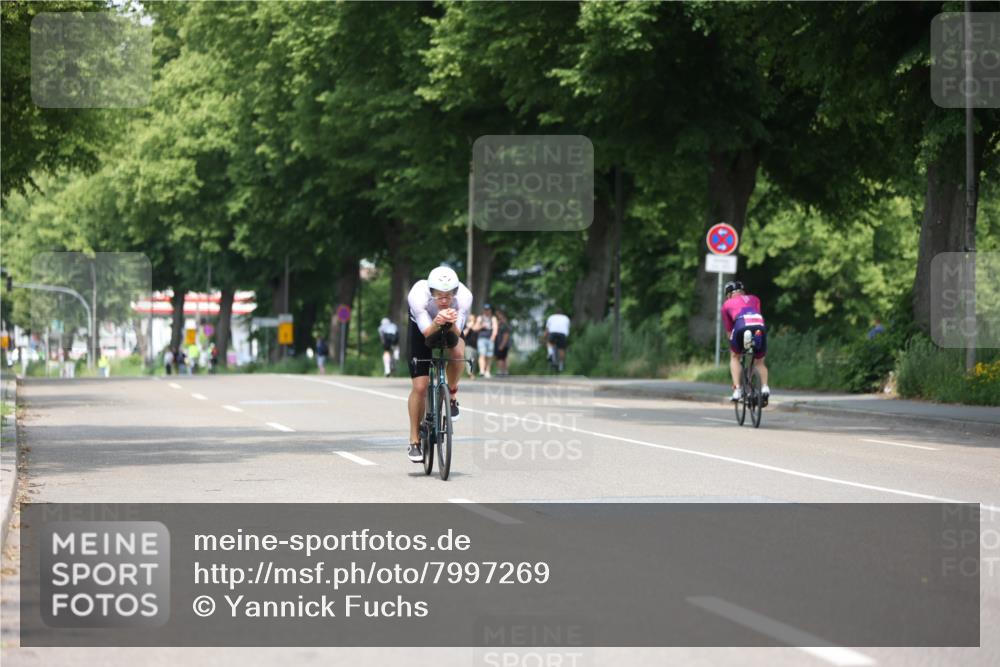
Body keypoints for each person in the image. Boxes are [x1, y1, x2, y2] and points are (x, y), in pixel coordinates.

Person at [406, 266, 472, 463]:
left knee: (459, 352)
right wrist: (437, 320)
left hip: (449, 325)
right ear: (431, 292)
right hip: (423, 328)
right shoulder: (418, 295)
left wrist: (449, 321)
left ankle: (451, 394)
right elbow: (427, 334)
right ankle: (414, 440)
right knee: (420, 386)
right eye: (439, 296)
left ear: (455, 292)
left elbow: (455, 336)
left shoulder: (464, 298)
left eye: (448, 296)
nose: (444, 300)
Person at [721, 280, 770, 402]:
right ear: (743, 292)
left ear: (728, 295)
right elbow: (757, 314)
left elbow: (729, 330)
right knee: (759, 362)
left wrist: (732, 345)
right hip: (759, 326)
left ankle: (737, 390)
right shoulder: (755, 298)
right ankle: (764, 387)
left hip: (741, 326)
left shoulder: (726, 305)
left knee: (734, 357)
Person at [477, 304, 498, 379]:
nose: (487, 311)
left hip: (490, 339)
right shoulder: (480, 318)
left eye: (488, 309)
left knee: (489, 356)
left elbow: (495, 328)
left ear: (490, 310)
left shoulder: (493, 318)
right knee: (482, 354)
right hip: (482, 338)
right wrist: (481, 326)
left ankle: (487, 371)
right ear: (483, 310)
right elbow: (476, 328)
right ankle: (482, 371)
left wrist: (493, 336)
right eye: (485, 309)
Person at [494, 309, 512, 376]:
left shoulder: (504, 324)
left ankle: (501, 371)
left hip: (502, 343)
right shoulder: (502, 323)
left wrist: (502, 344)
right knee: (503, 357)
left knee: (501, 357)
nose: (497, 316)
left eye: (498, 314)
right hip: (501, 343)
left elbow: (506, 335)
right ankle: (504, 371)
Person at [462, 313, 480, 379]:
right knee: (469, 359)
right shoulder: (466, 325)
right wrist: (469, 327)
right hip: (468, 345)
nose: (472, 319)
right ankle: (470, 374)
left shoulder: (476, 326)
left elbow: (477, 329)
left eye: (473, 318)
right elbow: (464, 334)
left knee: (474, 361)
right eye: (471, 318)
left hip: (475, 346)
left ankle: (472, 373)